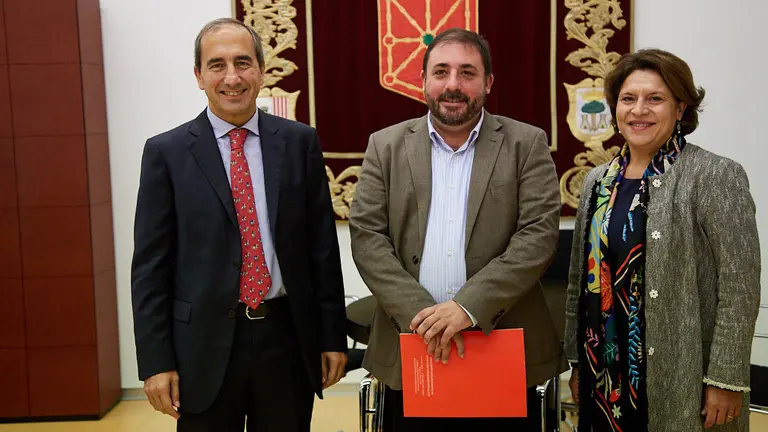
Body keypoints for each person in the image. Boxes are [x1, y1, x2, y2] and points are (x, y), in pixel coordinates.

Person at [131, 18, 348, 432]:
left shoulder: (299, 142)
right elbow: (150, 268)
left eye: (243, 63)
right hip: (201, 349)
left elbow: (321, 249)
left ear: (262, 71)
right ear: (198, 76)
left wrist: (332, 337)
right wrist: (156, 362)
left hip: (286, 340)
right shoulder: (166, 153)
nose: (232, 77)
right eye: (217, 65)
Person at [349, 28, 566, 430]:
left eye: (467, 72)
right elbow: (367, 236)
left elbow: (537, 236)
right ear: (424, 81)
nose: (453, 84)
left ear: (487, 82)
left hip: (500, 340)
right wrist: (422, 316)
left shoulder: (526, 143)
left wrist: (467, 308)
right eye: (441, 71)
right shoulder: (386, 145)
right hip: (410, 343)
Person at [563, 48, 761, 431]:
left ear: (681, 108)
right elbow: (579, 283)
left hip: (684, 382)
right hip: (603, 374)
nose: (639, 110)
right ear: (614, 108)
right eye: (628, 99)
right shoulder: (597, 182)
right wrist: (577, 363)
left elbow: (740, 288)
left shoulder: (715, 175)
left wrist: (725, 379)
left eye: (655, 98)